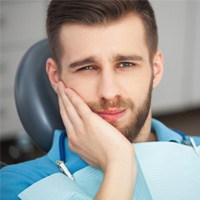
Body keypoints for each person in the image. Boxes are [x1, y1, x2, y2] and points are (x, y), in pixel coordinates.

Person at [1, 0, 200, 199]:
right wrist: (119, 162)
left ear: (155, 69)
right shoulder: (18, 185)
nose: (109, 92)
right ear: (55, 76)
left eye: (126, 64)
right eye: (87, 67)